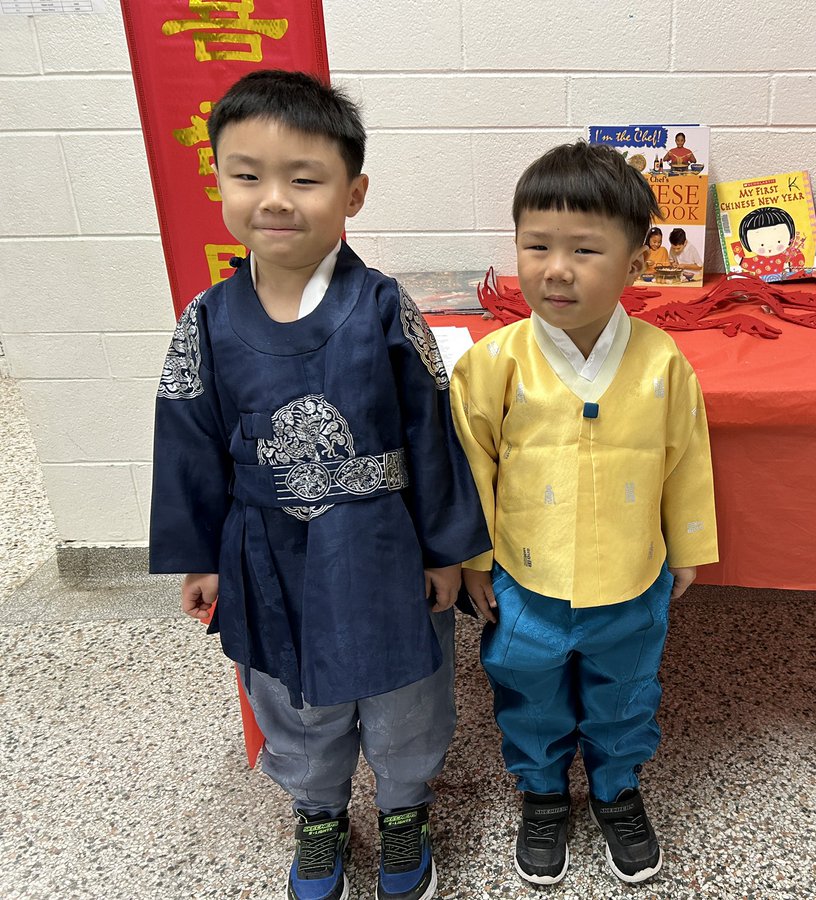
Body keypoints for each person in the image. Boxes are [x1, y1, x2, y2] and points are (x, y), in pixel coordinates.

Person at [149, 70, 489, 900]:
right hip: (267, 546)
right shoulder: (206, 319)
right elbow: (187, 440)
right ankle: (319, 810)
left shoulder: (382, 308)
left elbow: (430, 429)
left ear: (353, 192)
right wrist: (202, 556)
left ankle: (405, 806)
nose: (275, 199)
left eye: (304, 179)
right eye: (247, 175)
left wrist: (447, 551)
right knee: (290, 688)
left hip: (380, 542)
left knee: (403, 687)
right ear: (219, 183)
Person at [450, 141, 718, 887]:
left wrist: (687, 545)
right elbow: (471, 464)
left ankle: (616, 787)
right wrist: (475, 561)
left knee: (626, 691)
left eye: (584, 250)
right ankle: (542, 794)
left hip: (632, 578)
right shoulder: (495, 361)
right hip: (524, 581)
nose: (554, 268)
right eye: (535, 246)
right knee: (528, 692)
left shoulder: (663, 362)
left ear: (636, 261)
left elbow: (686, 457)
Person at [729, 206, 806, 280]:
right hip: (763, 286)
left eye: (778, 241)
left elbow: (799, 260)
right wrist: (740, 260)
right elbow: (750, 263)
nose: (770, 246)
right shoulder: (758, 260)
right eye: (761, 245)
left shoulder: (790, 253)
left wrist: (789, 266)